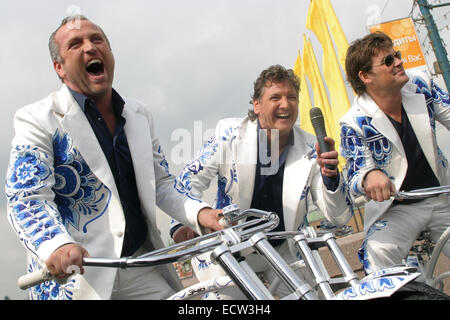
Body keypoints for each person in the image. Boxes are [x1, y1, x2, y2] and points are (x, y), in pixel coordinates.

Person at [5, 15, 222, 300]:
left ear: (110, 53)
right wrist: (56, 246)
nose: (90, 47)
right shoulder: (37, 119)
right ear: (59, 67)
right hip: (78, 279)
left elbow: (163, 183)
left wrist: (201, 213)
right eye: (75, 44)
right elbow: (27, 197)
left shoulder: (139, 115)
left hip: (140, 266)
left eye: (97, 40)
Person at [171, 65, 353, 299]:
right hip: (228, 250)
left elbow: (340, 216)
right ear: (256, 105)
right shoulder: (229, 134)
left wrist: (331, 178)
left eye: (292, 97)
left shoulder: (311, 149)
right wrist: (182, 222)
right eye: (275, 97)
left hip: (282, 251)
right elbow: (189, 180)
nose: (285, 105)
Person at [339, 31, 450, 275]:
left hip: (442, 196)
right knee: (377, 252)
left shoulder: (420, 83)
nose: (399, 62)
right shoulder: (354, 122)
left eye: (396, 56)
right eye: (388, 61)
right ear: (365, 76)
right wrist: (371, 176)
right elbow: (356, 174)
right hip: (399, 209)